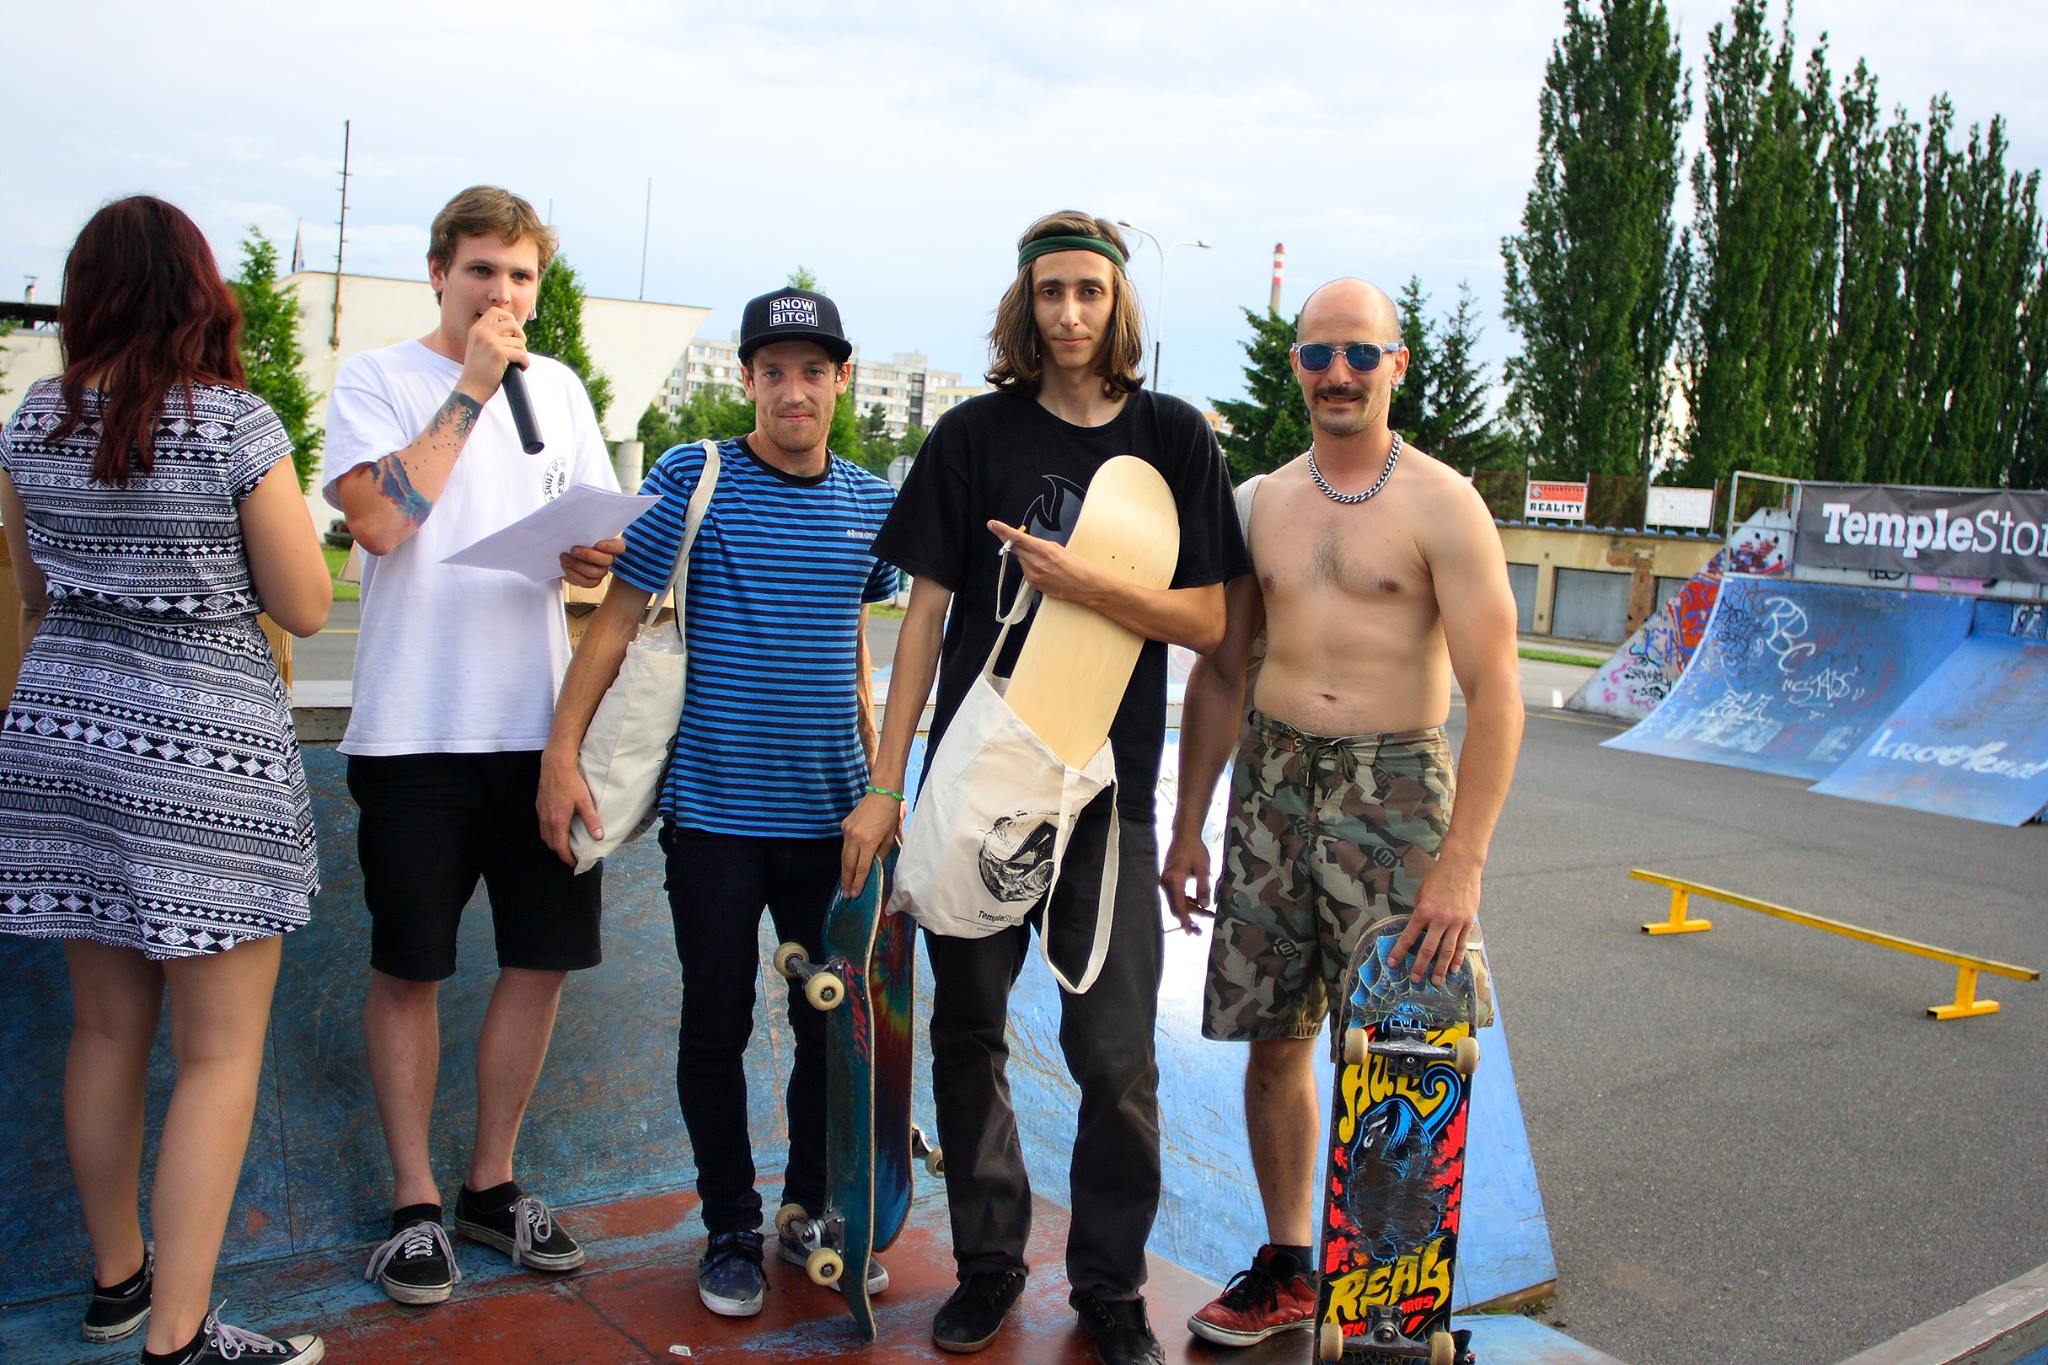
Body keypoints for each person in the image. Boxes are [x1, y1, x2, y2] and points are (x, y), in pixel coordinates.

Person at [843, 211, 1246, 1365]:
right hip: (979, 788)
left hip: (1106, 793)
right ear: (1025, 304)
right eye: (1051, 293)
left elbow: (1209, 623)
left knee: (1114, 1053)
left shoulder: (1174, 437)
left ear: (1119, 304)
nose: (1070, 314)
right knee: (967, 1030)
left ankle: (1110, 1291)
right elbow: (921, 620)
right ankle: (986, 1266)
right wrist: (886, 784)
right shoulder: (973, 435)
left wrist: (1082, 583)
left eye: (1090, 292)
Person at [1162, 278, 1522, 1348]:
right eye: (1318, 356)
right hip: (1271, 785)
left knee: (1401, 1042)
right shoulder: (1260, 499)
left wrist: (1459, 868)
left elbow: (1497, 698)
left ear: (1393, 366)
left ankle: (1387, 1292)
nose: (1337, 375)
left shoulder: (1442, 504)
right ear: (1296, 368)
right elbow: (1222, 671)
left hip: (1395, 794)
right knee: (1271, 1036)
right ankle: (1286, 1267)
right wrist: (1187, 823)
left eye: (1359, 356)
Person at [0, 197, 331, 1363]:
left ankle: (117, 1283)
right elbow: (303, 601)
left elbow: (34, 590)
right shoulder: (235, 424)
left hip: (61, 734)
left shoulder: (33, 419)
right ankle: (182, 1338)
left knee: (102, 1031)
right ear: (200, 290)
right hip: (201, 750)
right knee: (218, 1051)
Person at [537, 287, 897, 1317]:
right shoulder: (692, 476)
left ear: (839, 379)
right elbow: (612, 627)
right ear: (747, 378)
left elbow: (860, 648)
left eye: (812, 370)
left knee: (833, 1030)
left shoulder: (870, 503)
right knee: (715, 1023)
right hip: (715, 820)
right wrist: (559, 754)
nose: (793, 388)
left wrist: (879, 784)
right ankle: (730, 1228)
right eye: (773, 369)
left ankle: (810, 1212)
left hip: (831, 823)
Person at [325, 186, 622, 1307]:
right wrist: (472, 387)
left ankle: (490, 1184)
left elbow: (581, 534)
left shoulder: (562, 392)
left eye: (523, 278)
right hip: (412, 732)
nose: (504, 296)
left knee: (540, 960)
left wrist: (583, 556)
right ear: (440, 273)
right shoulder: (380, 381)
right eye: (484, 272)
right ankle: (412, 1202)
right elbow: (382, 521)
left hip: (533, 729)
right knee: (412, 967)